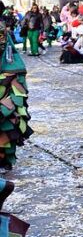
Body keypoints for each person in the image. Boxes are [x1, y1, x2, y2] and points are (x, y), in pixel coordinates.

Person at [0, 20, 33, 168]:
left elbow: (18, 79)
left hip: (6, 96)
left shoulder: (9, 53)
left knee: (9, 122)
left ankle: (3, 161)